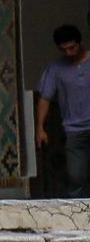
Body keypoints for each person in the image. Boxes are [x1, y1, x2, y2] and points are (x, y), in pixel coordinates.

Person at [37, 23, 90, 198]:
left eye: (72, 48)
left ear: (80, 42)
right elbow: (45, 98)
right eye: (64, 50)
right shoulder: (55, 69)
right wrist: (40, 128)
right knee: (76, 176)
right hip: (75, 130)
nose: (69, 53)